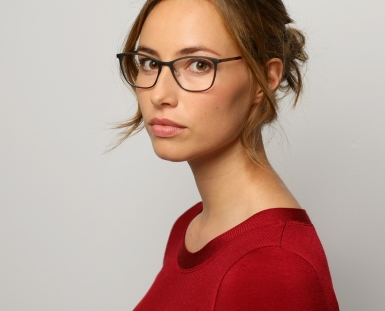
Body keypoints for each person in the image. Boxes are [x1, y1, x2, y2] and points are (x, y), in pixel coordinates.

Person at [113, 0, 339, 310]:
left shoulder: (272, 265)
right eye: (149, 63)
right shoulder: (192, 228)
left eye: (199, 64)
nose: (159, 95)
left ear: (266, 79)